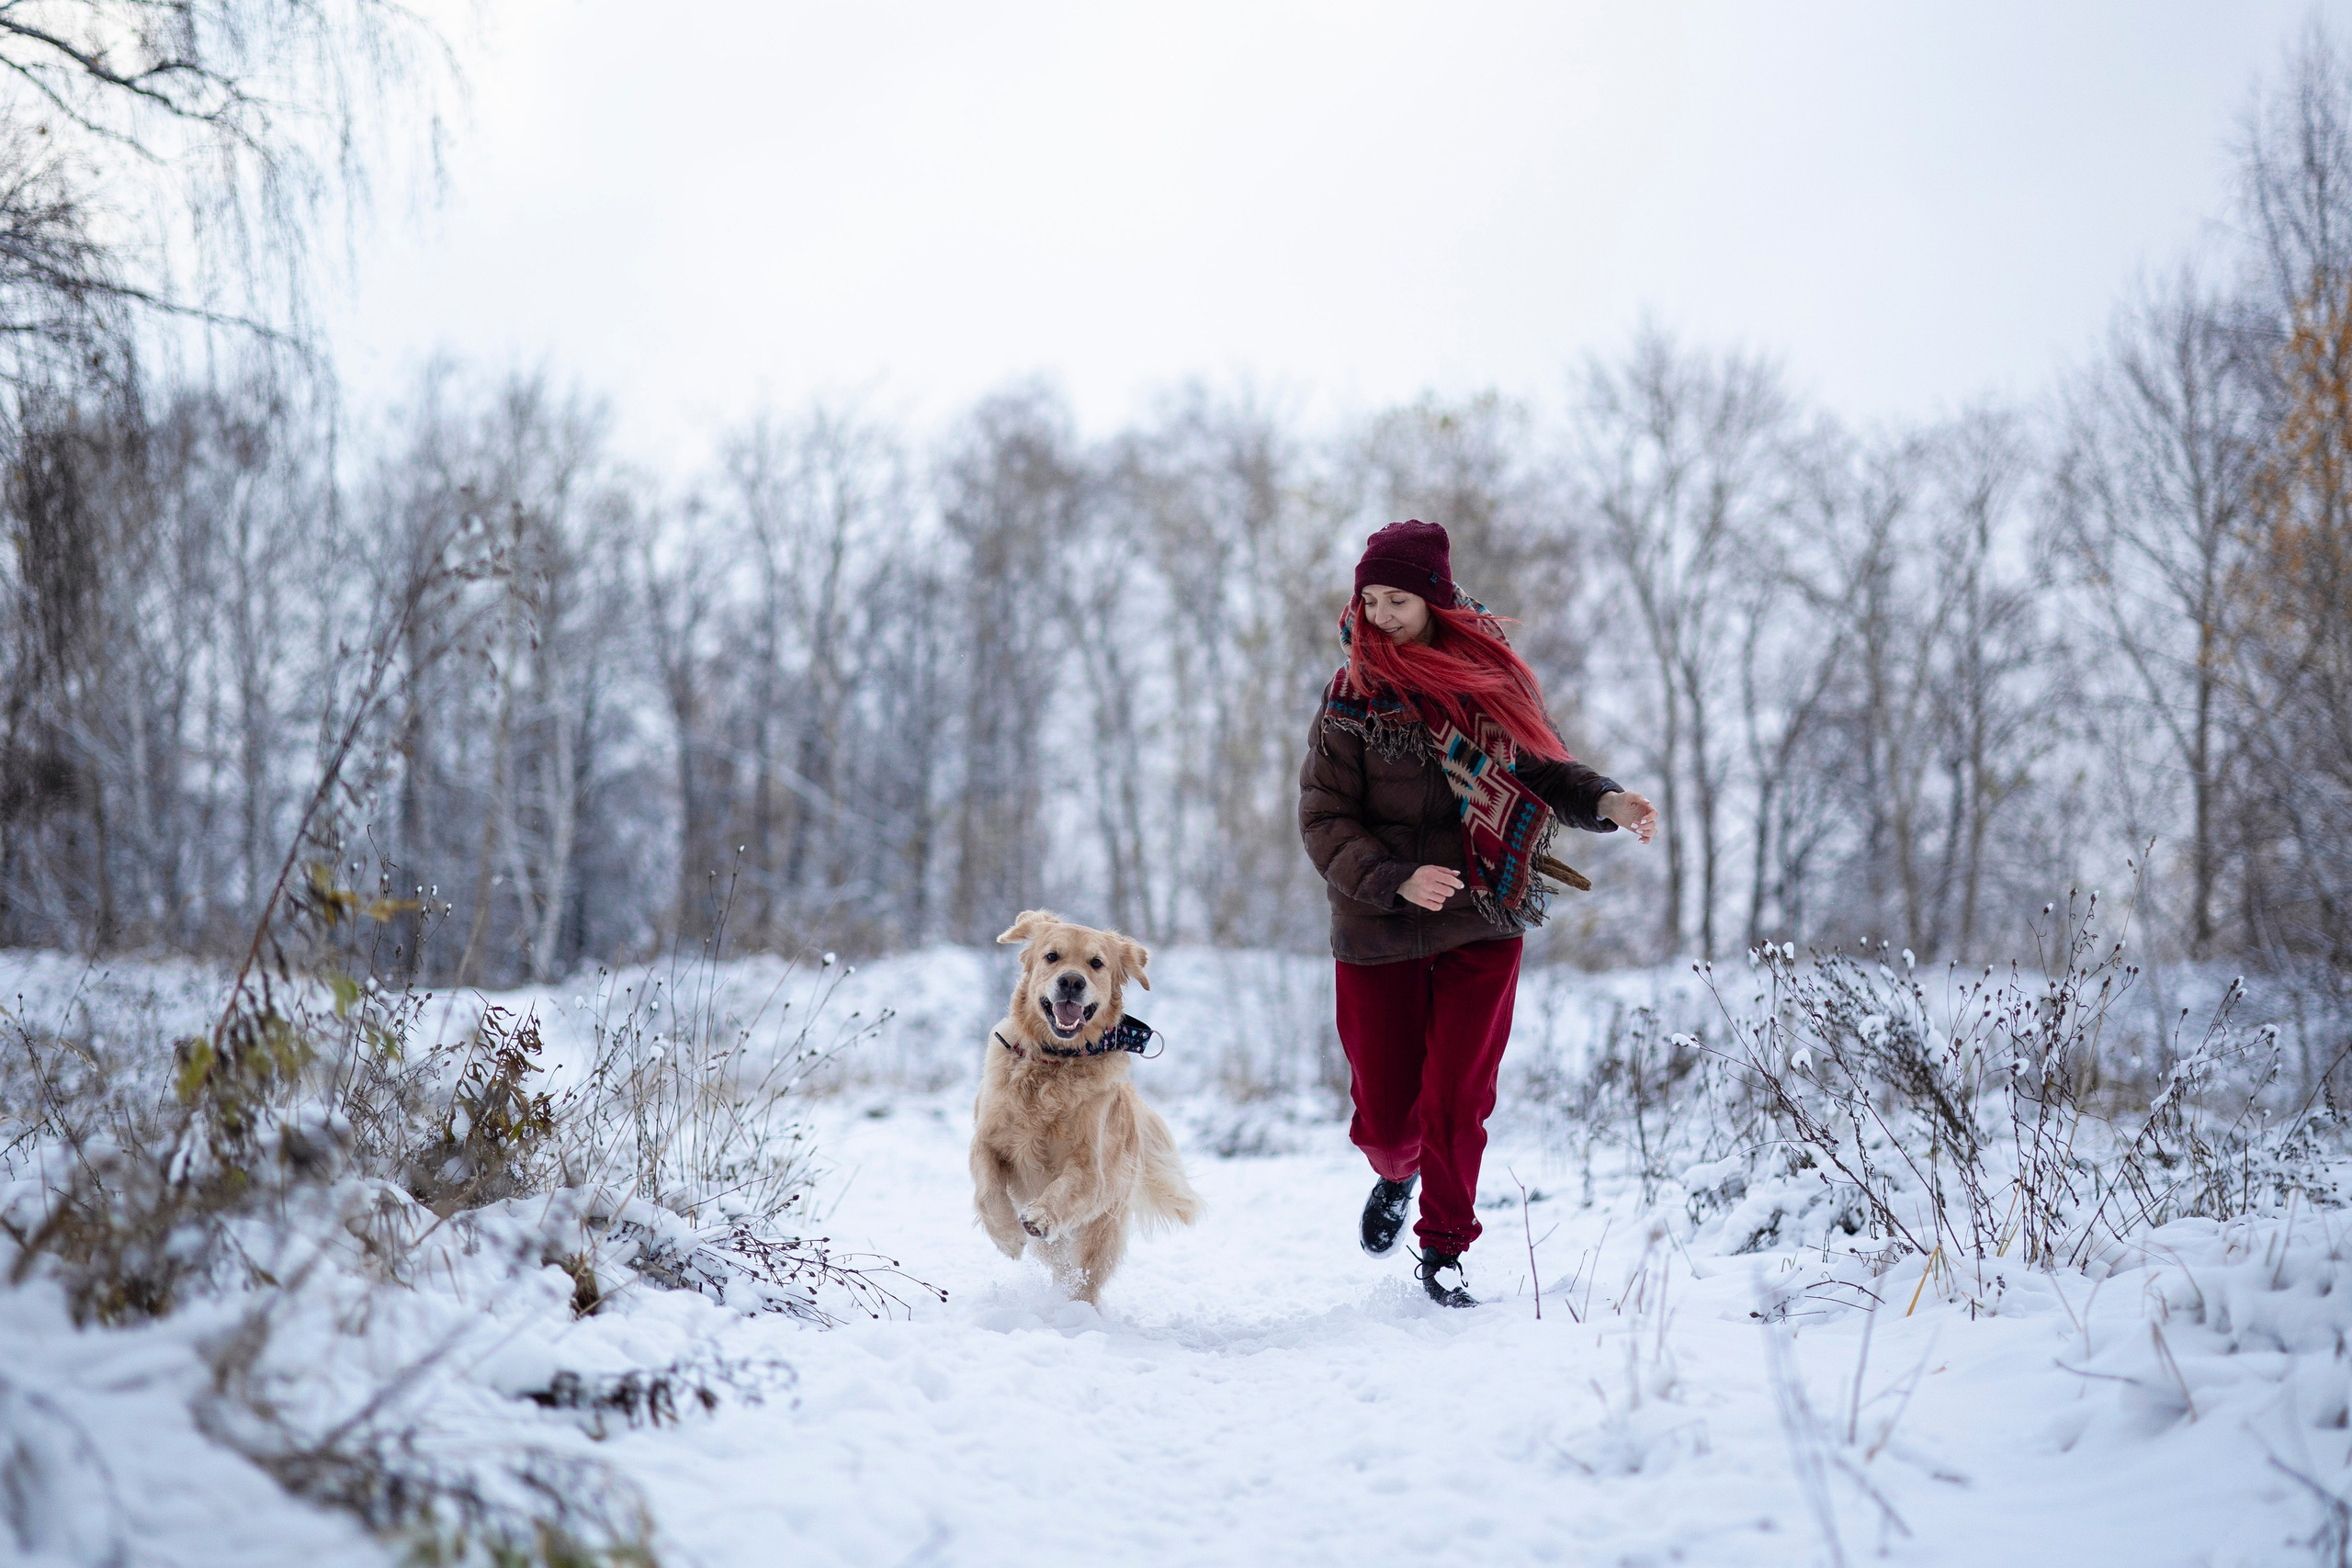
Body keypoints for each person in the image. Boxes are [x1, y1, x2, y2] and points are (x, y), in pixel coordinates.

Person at [1297, 519, 1656, 1308]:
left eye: (1397, 600)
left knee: (1459, 1097)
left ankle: (1446, 1249)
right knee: (1390, 1122)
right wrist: (1395, 878)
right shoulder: (1351, 696)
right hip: (1377, 923)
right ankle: (1397, 1175)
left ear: (1434, 601)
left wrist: (1607, 801)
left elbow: (1547, 770)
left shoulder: (1491, 681)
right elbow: (1323, 820)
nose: (1380, 615)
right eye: (1370, 600)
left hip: (1483, 914)